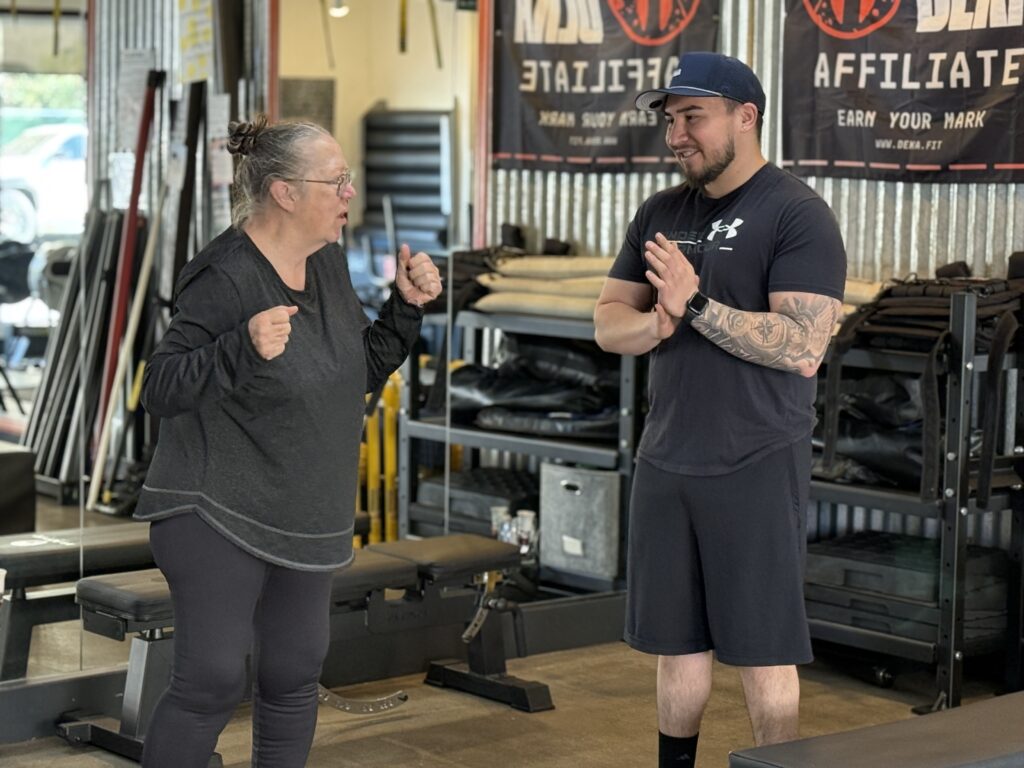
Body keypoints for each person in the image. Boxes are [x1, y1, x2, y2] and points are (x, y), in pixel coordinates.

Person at [133, 114, 441, 767]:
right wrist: (239, 349)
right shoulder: (223, 275)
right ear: (285, 193)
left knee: (293, 676)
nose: (348, 194)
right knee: (211, 682)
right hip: (214, 510)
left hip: (300, 514)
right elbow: (159, 387)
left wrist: (404, 308)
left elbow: (353, 372)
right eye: (336, 181)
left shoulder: (326, 265)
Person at [593, 52, 847, 766]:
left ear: (745, 116)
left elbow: (804, 347)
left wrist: (695, 306)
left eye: (692, 117)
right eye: (670, 120)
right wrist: (655, 326)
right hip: (667, 456)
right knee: (677, 647)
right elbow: (609, 320)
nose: (677, 135)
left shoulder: (795, 212)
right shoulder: (661, 212)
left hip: (755, 460)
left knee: (763, 652)